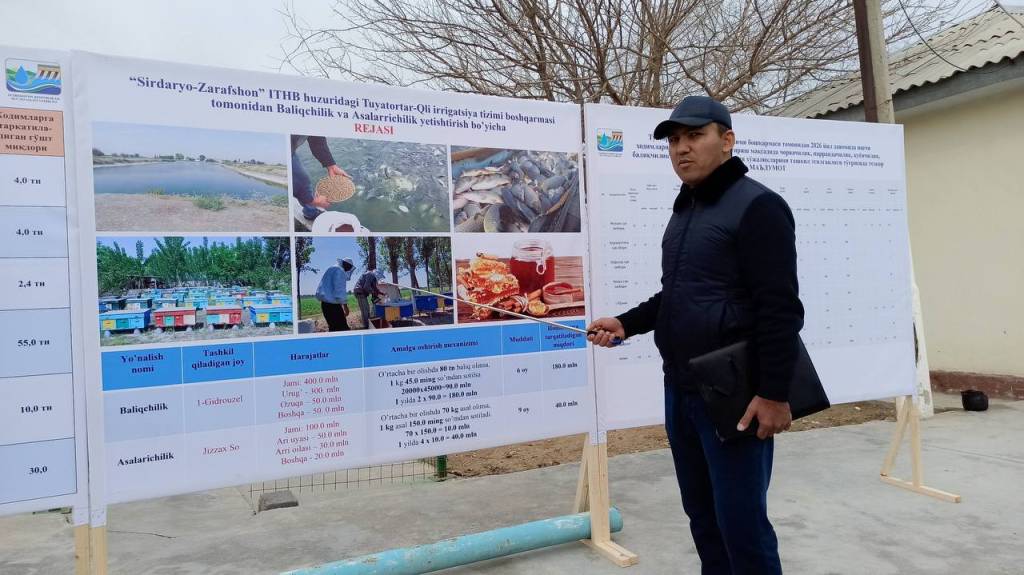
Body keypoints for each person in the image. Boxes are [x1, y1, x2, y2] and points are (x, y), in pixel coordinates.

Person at [587, 96, 804, 574]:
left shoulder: (759, 206)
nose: (681, 149)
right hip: (681, 388)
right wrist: (627, 322)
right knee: (703, 519)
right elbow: (680, 294)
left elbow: (780, 309)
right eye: (674, 141)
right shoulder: (685, 210)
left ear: (727, 141)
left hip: (733, 391)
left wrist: (774, 394)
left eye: (694, 136)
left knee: (742, 525)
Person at [291, 135, 349, 221]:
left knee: (304, 187)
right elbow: (296, 178)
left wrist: (331, 165)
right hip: (288, 150)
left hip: (292, 148)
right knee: (303, 183)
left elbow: (316, 138)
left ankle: (310, 211)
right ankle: (311, 211)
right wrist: (312, 201)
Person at [315, 257, 355, 332]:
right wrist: (345, 307)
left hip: (325, 305)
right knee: (342, 329)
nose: (349, 270)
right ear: (346, 265)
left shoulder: (332, 268)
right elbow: (339, 290)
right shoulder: (340, 270)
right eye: (349, 267)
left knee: (333, 328)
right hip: (333, 307)